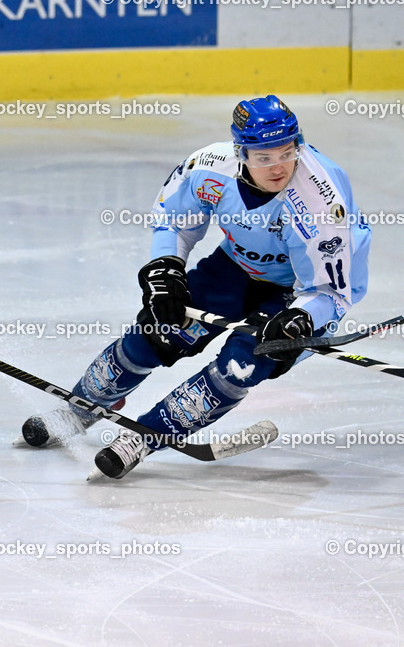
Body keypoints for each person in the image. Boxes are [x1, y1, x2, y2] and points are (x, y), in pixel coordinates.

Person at [27, 95, 370, 479]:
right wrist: (166, 268)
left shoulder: (320, 204)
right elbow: (174, 222)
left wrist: (301, 318)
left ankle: (144, 437)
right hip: (236, 265)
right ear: (241, 154)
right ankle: (79, 408)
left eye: (287, 152)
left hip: (300, 291)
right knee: (157, 331)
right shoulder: (210, 168)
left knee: (243, 363)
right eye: (263, 157)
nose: (278, 166)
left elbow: (332, 292)